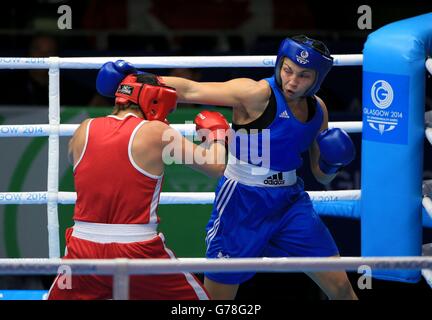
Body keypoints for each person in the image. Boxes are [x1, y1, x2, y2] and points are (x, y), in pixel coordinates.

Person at [93, 35, 358, 300]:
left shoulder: (319, 110)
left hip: (290, 202)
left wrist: (331, 162)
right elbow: (190, 90)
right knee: (218, 299)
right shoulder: (256, 94)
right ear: (279, 64)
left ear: (317, 79)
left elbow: (322, 175)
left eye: (304, 76)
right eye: (288, 70)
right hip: (242, 200)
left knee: (341, 287)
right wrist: (134, 79)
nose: (292, 81)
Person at [47, 60, 229, 300]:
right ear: (154, 100)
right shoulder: (156, 132)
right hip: (138, 251)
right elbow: (215, 166)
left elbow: (88, 168)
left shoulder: (84, 128)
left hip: (82, 248)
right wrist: (216, 134)